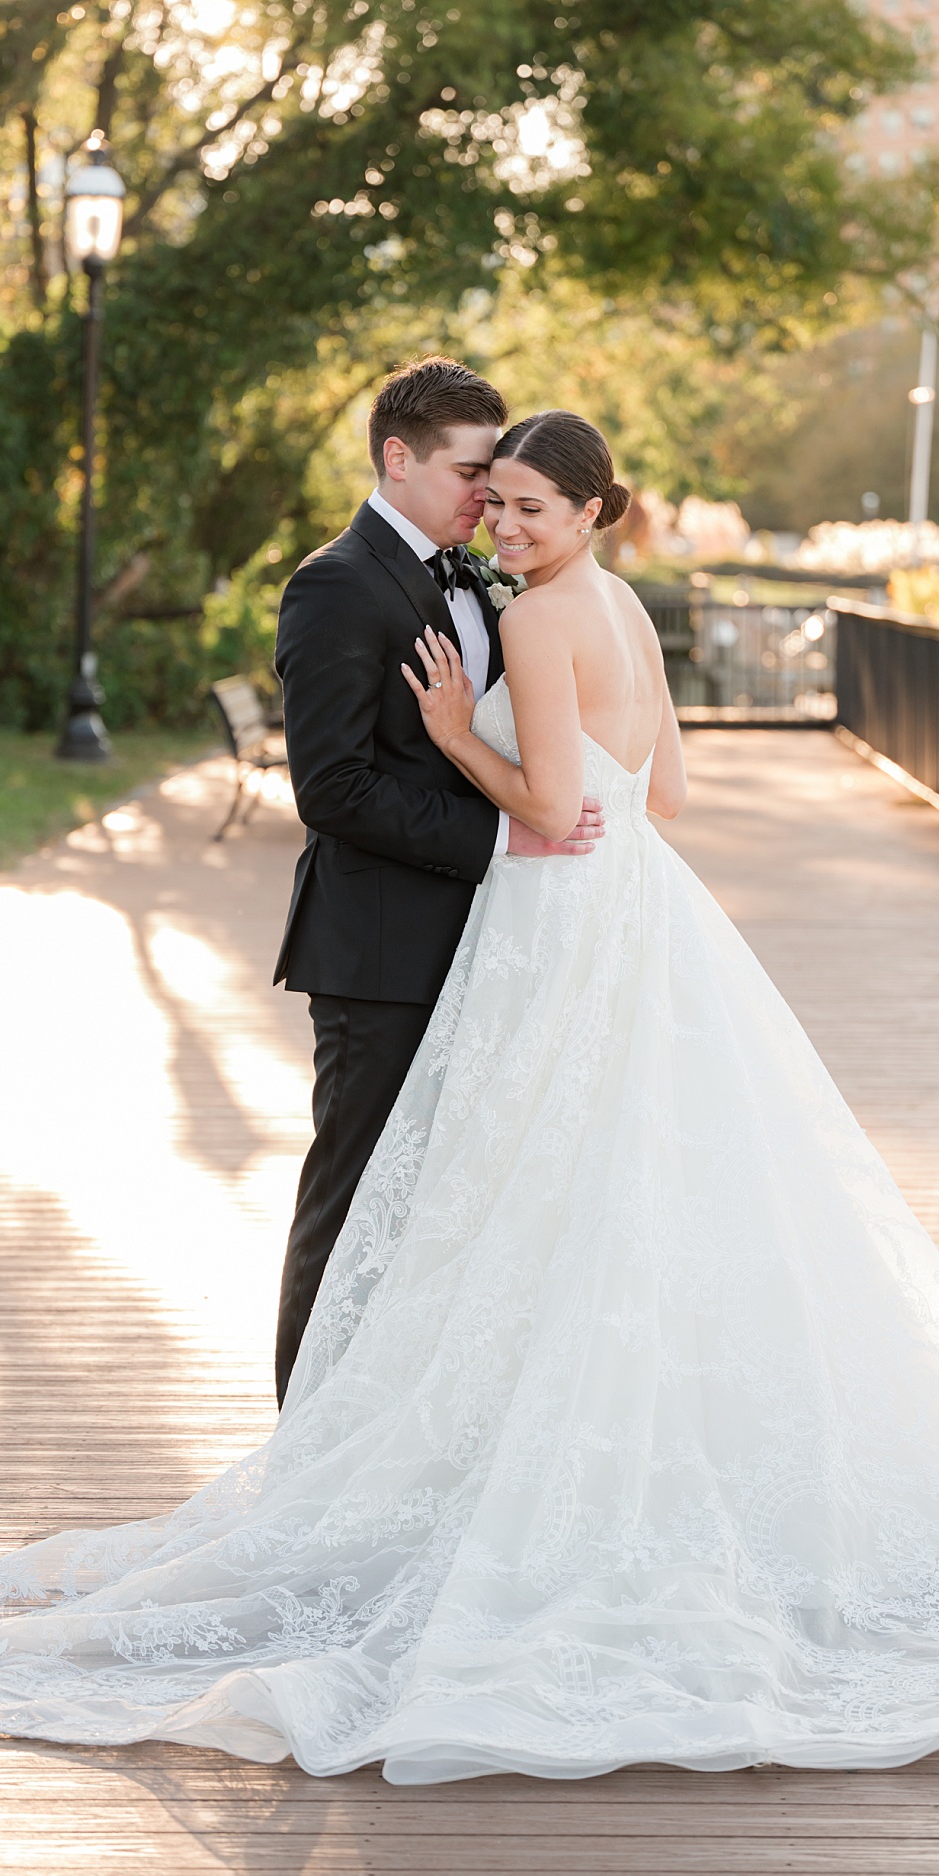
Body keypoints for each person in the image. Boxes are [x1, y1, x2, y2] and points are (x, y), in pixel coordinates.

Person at [0, 411, 939, 1784]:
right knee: (622, 1184)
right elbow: (666, 792)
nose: (502, 522)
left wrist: (461, 726)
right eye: (495, 498)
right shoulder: (634, 609)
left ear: (592, 511)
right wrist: (553, 783)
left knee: (532, 1184)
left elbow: (543, 805)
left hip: (555, 915)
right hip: (647, 909)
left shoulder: (530, 614)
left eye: (527, 504)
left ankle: (461, 1466)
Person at [269, 357, 603, 1402]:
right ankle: (303, 1449)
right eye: (470, 472)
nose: (485, 497)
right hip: (377, 954)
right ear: (397, 456)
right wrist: (505, 841)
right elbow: (332, 787)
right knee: (353, 1204)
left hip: (478, 951)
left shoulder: (474, 577)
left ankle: (384, 1444)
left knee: (438, 1213)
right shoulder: (334, 583)